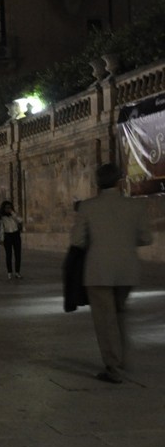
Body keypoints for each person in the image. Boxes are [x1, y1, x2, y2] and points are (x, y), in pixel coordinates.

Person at [70, 163, 153, 384]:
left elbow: (76, 240)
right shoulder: (135, 206)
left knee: (104, 320)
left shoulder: (87, 207)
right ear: (119, 181)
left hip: (98, 270)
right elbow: (146, 238)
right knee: (119, 314)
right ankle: (123, 358)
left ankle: (113, 366)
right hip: (127, 269)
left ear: (98, 182)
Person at [0, 201, 23, 279]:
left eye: (9, 207)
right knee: (9, 255)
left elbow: (20, 220)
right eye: (6, 208)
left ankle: (17, 272)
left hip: (15, 234)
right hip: (8, 236)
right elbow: (1, 229)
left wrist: (12, 213)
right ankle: (9, 272)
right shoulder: (2, 218)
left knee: (17, 254)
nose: (8, 209)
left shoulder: (13, 215)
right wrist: (1, 239)